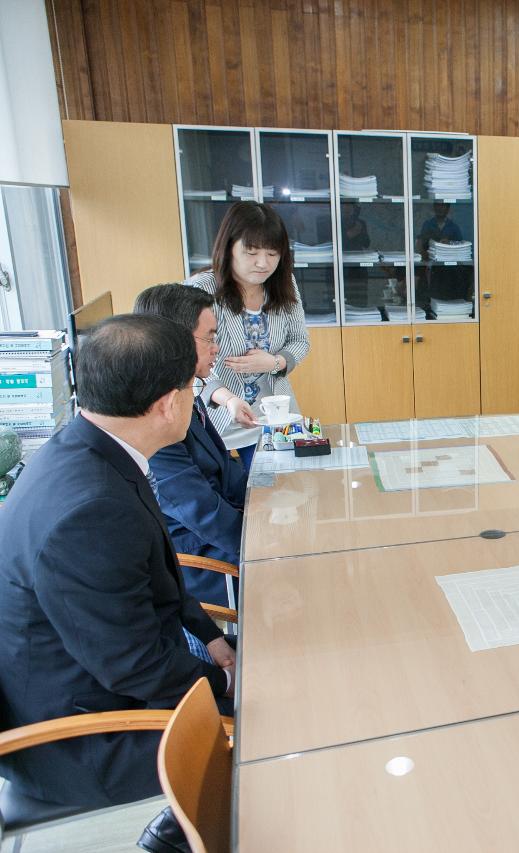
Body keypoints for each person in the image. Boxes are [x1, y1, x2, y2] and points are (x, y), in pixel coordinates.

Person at [0, 315, 235, 850]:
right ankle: (179, 837)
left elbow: (160, 580)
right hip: (83, 736)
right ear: (169, 404)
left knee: (276, 666)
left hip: (101, 675)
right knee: (276, 731)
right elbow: (134, 665)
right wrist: (227, 684)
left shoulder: (89, 450)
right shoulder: (89, 509)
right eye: (191, 386)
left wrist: (215, 640)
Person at [135, 283, 248, 607]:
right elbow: (201, 512)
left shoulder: (185, 391)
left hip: (226, 534)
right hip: (208, 559)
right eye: (210, 337)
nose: (217, 348)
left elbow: (228, 469)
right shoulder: (159, 414)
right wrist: (268, 544)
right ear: (176, 340)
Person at [185, 200, 310, 469]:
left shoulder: (284, 285)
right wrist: (226, 398)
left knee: (286, 490)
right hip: (222, 417)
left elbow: (300, 341)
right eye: (251, 252)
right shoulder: (202, 289)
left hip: (275, 418)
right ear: (229, 247)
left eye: (273, 254)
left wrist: (275, 363)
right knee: (239, 496)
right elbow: (189, 359)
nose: (263, 263)